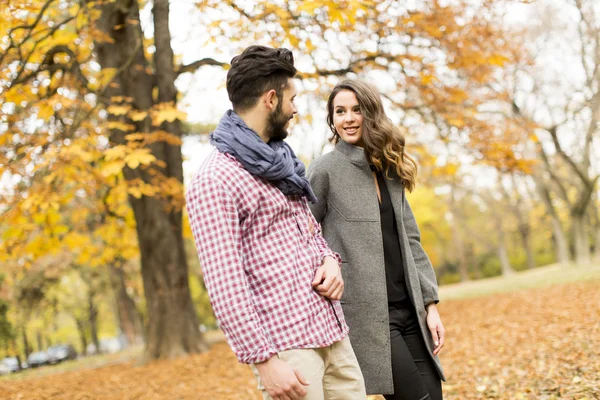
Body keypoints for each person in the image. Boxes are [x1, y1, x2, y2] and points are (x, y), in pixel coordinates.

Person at [186, 47, 367, 400]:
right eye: (292, 98)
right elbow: (225, 284)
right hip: (288, 349)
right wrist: (265, 361)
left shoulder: (282, 163)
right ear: (271, 99)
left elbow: (310, 234)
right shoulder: (215, 180)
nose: (296, 109)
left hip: (331, 332)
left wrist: (330, 260)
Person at [308, 79, 446, 400]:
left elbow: (411, 239)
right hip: (368, 318)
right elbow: (303, 234)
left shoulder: (390, 169)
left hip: (411, 312)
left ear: (372, 114)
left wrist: (430, 305)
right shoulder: (324, 170)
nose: (348, 118)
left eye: (357, 110)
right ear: (332, 120)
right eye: (340, 112)